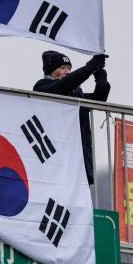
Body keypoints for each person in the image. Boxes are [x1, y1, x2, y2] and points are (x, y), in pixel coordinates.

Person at [32, 50, 110, 185]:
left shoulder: (75, 94)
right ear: (50, 70)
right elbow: (63, 86)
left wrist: (101, 79)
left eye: (69, 68)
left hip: (80, 158)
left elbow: (98, 99)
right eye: (62, 68)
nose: (66, 71)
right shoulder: (42, 87)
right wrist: (89, 68)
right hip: (56, 158)